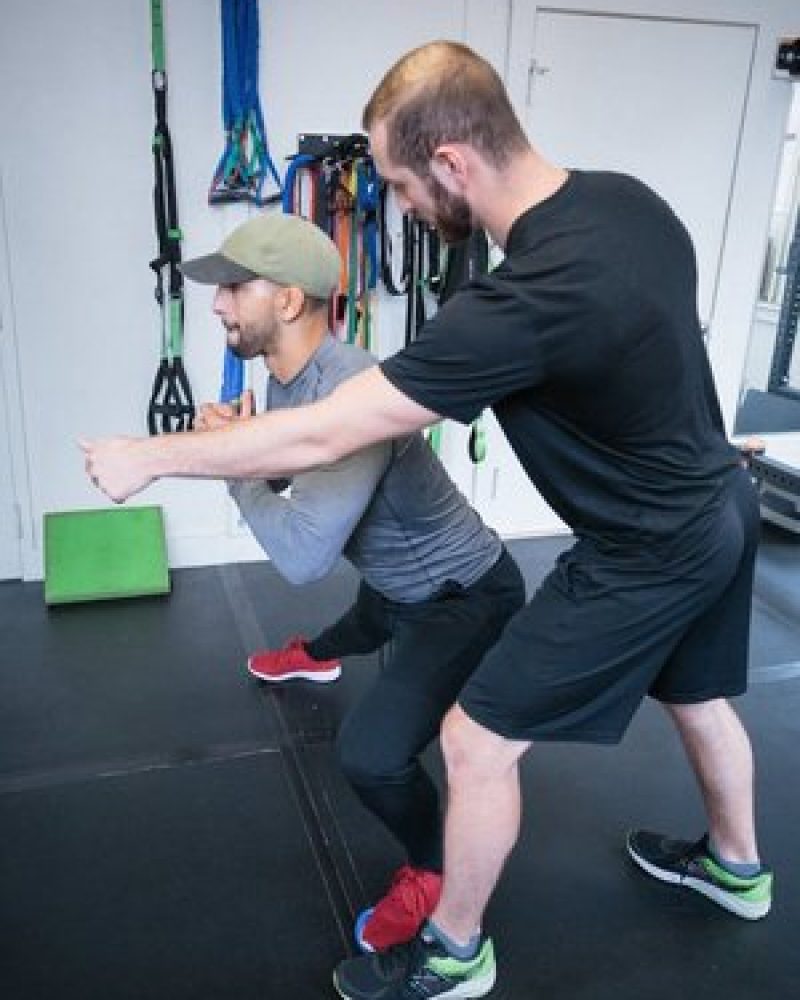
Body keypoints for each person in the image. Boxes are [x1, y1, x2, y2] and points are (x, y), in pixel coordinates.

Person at [82, 41, 772, 1000]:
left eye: (403, 185)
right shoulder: (631, 203)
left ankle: (454, 952)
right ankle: (737, 869)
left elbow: (324, 439)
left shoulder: (515, 306)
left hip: (644, 548)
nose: (402, 208)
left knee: (474, 742)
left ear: (452, 162)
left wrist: (151, 456)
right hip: (721, 502)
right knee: (695, 695)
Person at [148, 211, 526, 956]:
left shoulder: (350, 389)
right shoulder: (287, 382)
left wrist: (234, 465)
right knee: (362, 620)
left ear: (287, 302)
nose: (217, 304)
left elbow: (303, 557)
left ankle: (430, 871)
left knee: (370, 754)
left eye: (233, 287)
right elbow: (299, 470)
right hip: (393, 583)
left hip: (460, 595)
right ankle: (313, 653)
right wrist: (249, 442)